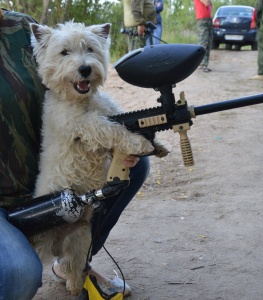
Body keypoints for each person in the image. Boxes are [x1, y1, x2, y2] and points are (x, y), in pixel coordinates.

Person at [0, 8, 150, 299]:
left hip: (37, 172)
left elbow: (60, 89)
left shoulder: (22, 27)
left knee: (132, 165)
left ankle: (74, 261)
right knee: (18, 275)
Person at [193, 0, 213, 72]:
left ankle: (204, 63)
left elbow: (211, 6)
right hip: (202, 19)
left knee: (209, 42)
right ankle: (203, 63)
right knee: (203, 42)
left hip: (208, 19)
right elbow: (207, 3)